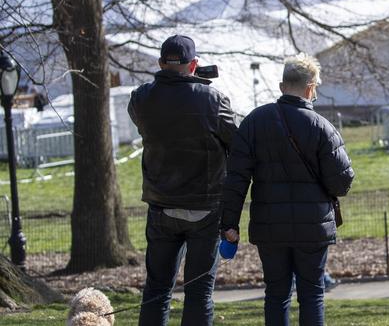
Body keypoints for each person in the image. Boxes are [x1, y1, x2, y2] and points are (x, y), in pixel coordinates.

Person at [221, 53, 354, 326]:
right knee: (312, 294)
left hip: (270, 227)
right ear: (311, 88)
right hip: (312, 226)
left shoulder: (254, 122)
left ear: (282, 86)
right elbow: (342, 182)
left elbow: (236, 179)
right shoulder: (323, 128)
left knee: (276, 294)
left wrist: (229, 224)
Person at [128, 35, 237, 326]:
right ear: (194, 64)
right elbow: (235, 142)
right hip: (205, 207)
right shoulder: (212, 100)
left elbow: (148, 116)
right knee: (199, 292)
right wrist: (198, 85)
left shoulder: (141, 98)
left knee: (157, 290)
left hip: (161, 205)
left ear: (161, 63)